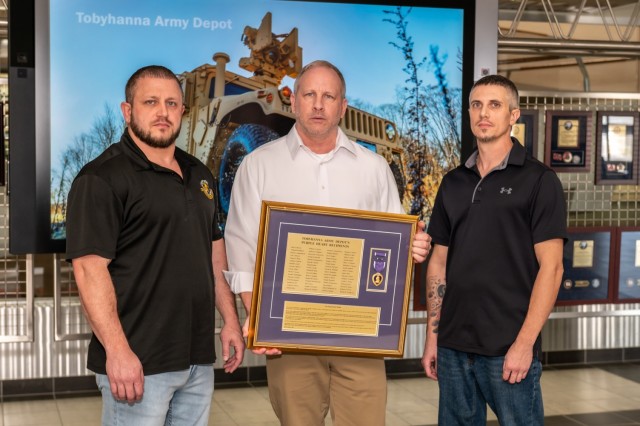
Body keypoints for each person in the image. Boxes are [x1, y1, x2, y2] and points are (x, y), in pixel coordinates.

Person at [223, 59, 431, 426]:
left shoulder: (373, 168)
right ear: (294, 102)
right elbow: (241, 245)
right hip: (288, 335)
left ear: (342, 107)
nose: (318, 105)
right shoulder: (258, 165)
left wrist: (412, 248)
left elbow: (393, 243)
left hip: (361, 336)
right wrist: (257, 319)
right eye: (310, 94)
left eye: (328, 96)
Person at [65, 65, 245, 426]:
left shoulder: (199, 174)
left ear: (182, 111)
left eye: (172, 103)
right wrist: (117, 351)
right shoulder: (101, 178)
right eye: (151, 102)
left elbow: (214, 253)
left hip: (196, 361)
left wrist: (231, 320)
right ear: (128, 110)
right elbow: (88, 269)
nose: (163, 112)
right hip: (137, 363)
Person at [421, 74, 566, 425]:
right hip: (454, 347)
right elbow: (439, 263)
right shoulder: (453, 182)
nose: (483, 113)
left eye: (495, 105)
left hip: (508, 348)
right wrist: (433, 338)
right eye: (476, 104)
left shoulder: (539, 180)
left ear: (513, 115)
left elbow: (553, 269)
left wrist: (524, 345)